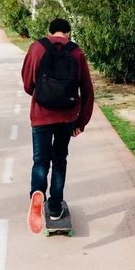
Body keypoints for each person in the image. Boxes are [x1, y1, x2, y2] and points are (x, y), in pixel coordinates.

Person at [21, 18, 94, 233]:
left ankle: (37, 192)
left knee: (40, 161)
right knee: (60, 159)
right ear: (68, 33)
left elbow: (27, 85)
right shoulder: (76, 52)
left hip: (41, 115)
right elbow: (87, 90)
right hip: (67, 117)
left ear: (49, 31)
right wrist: (81, 122)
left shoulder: (37, 48)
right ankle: (54, 208)